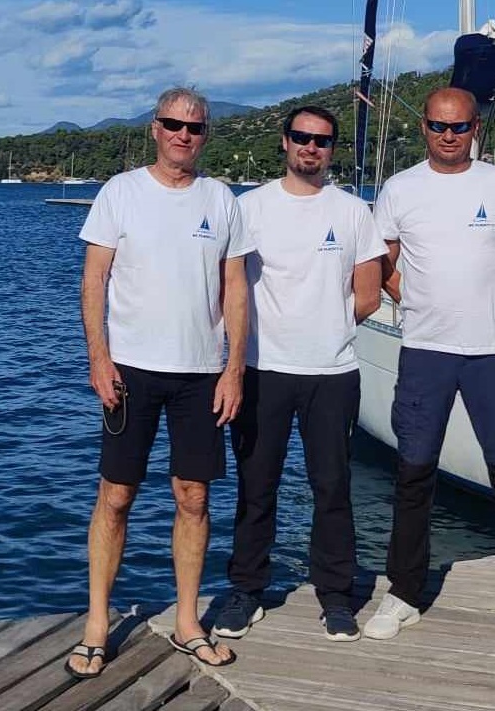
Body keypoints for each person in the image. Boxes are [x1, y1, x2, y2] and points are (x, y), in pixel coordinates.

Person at [364, 86, 495, 653]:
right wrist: (414, 302)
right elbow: (383, 265)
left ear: (475, 128)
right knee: (413, 473)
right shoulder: (400, 189)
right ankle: (404, 593)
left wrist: (492, 305)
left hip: (489, 353)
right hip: (424, 351)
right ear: (423, 128)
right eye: (437, 126)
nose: (447, 136)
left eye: (458, 127)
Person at [67, 86, 253, 678]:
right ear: (155, 128)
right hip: (130, 370)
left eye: (194, 127)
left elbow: (236, 289)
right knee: (116, 495)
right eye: (173, 124)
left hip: (200, 373)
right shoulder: (121, 192)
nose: (183, 135)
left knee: (193, 497)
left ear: (205, 135)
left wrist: (234, 368)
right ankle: (97, 623)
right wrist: (99, 358)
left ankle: (188, 622)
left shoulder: (220, 199)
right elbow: (94, 280)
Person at [211, 106, 386, 643]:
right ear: (285, 141)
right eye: (302, 137)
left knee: (332, 487)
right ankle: (247, 591)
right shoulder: (249, 208)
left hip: (332, 372)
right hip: (261, 369)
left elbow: (368, 295)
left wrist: (326, 326)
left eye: (322, 140)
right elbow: (227, 287)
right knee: (256, 486)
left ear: (333, 149)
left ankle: (336, 597)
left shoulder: (353, 212)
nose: (312, 147)